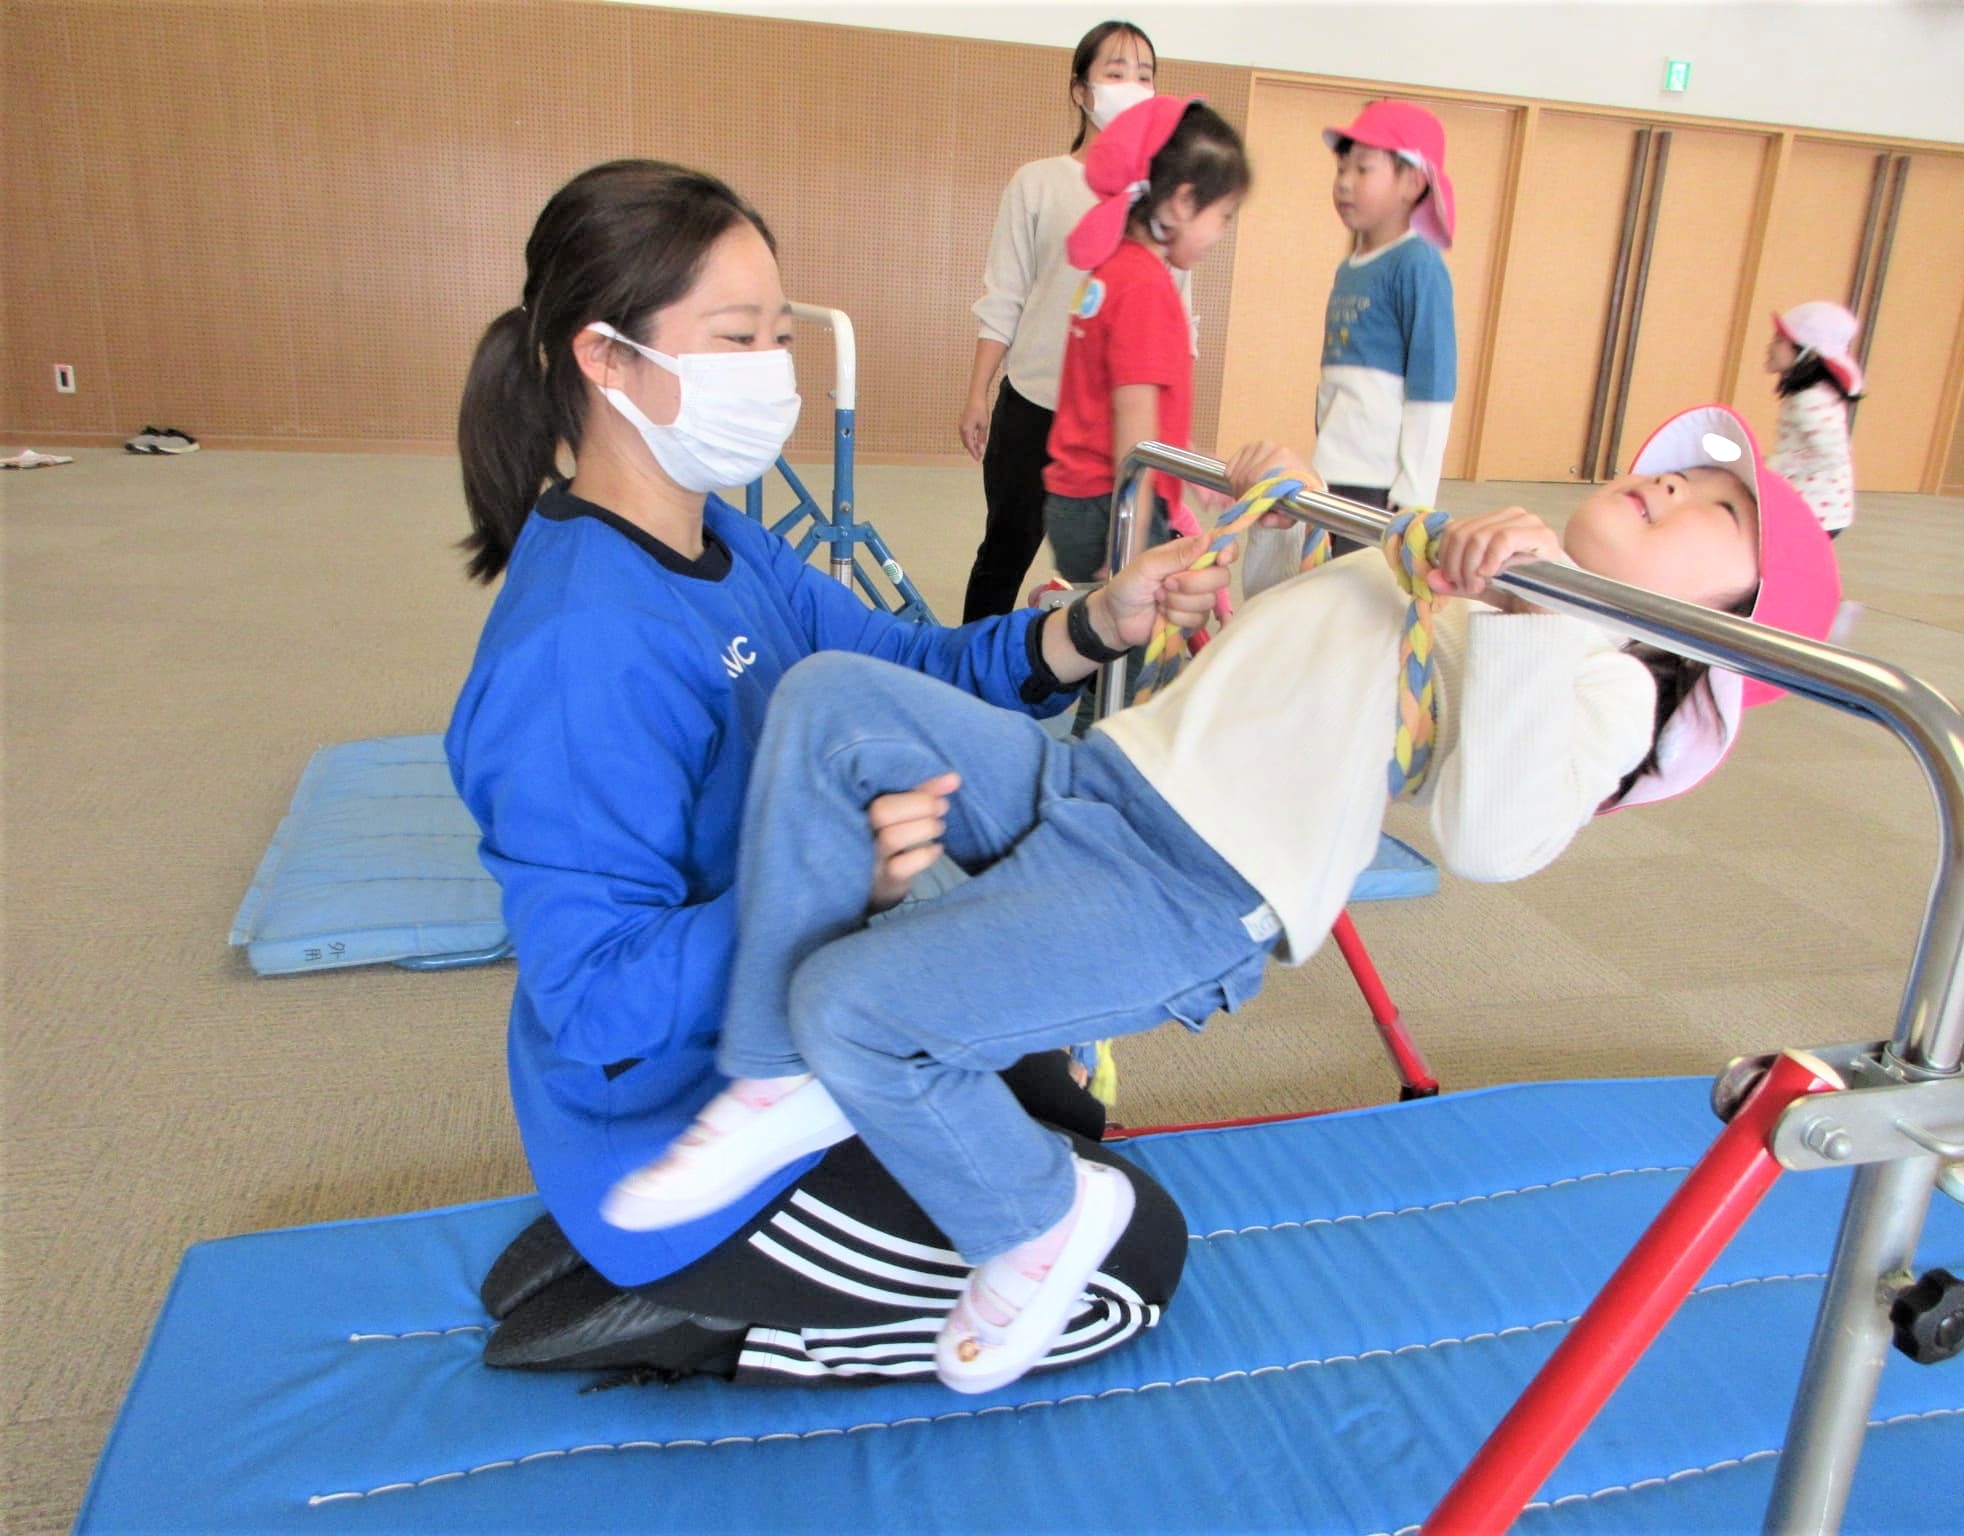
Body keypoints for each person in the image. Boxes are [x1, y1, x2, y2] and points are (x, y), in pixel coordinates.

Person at [602, 404, 1843, 1394]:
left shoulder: (1604, 677)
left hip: (1188, 887)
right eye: (1678, 469)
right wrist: (1286, 512)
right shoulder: (1462, 567)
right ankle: (771, 1079)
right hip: (1101, 780)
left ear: (1716, 627)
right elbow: (1311, 644)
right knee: (830, 696)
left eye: (1717, 505)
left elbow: (1492, 839)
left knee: (853, 1009)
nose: (1669, 483)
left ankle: (1037, 1221)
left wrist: (1532, 617)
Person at [445, 158, 1237, 1385]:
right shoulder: (575, 653)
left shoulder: (723, 538)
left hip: (798, 1033)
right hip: (674, 1124)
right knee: (1127, 1268)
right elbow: (593, 999)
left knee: (1058, 1105)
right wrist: (832, 880)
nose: (774, 369)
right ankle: (686, 1305)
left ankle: (661, 1239)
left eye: (779, 334)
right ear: (606, 359)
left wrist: (1093, 623)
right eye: (735, 338)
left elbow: (912, 674)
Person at [959, 19, 1186, 623]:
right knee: (1005, 551)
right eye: (1116, 72)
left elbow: (1176, 319)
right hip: (1035, 403)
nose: (1132, 86)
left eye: (1145, 75)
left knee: (1120, 566)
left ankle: (1096, 673)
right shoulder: (1037, 182)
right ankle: (969, 666)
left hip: (1121, 419)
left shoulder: (1163, 193)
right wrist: (978, 391)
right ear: (1082, 90)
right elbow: (1005, 293)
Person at [1040, 93, 1250, 730]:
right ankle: (1095, 764)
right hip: (1114, 508)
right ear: (1181, 203)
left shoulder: (1109, 273)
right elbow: (1136, 442)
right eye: (1222, 216)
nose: (1221, 233)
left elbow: (1110, 408)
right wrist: (1131, 547)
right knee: (1132, 672)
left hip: (1077, 499)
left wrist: (1184, 486)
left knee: (1117, 655)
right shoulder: (1147, 288)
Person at [1306, 100, 1457, 560]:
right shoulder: (1350, 267)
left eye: (1363, 169)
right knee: (1324, 583)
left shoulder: (1418, 263)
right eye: (1341, 169)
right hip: (1332, 471)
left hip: (1380, 485)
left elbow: (1433, 385)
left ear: (1413, 181)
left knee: (1362, 589)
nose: (1344, 182)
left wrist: (1414, 494)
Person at [1765, 300, 1863, 539]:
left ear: (1807, 352)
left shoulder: (1809, 399)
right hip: (1815, 506)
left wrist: (1772, 466)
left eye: (1779, 340)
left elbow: (1833, 454)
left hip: (1816, 509)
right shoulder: (1809, 393)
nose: (1770, 347)